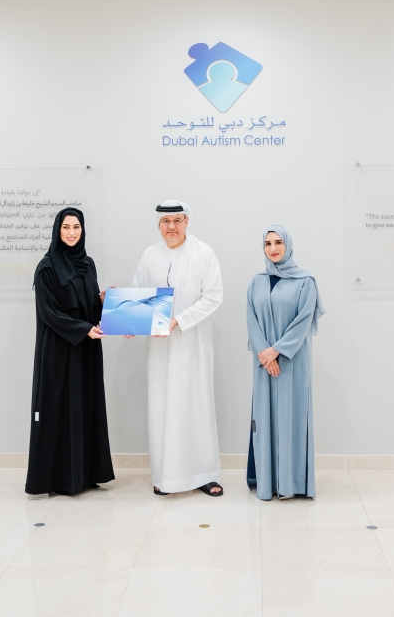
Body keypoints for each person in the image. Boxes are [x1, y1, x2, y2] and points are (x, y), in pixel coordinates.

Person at [128, 200, 224, 496]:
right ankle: (166, 477)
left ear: (187, 222)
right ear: (159, 225)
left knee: (195, 406)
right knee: (162, 407)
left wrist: (178, 321)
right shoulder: (150, 254)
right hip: (159, 350)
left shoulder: (203, 253)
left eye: (177, 220)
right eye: (166, 221)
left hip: (192, 344)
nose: (172, 227)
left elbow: (213, 296)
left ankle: (205, 475)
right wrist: (130, 321)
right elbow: (138, 293)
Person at [25, 207, 115, 495]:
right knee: (60, 411)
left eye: (76, 227)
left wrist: (104, 302)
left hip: (86, 351)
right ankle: (60, 479)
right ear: (57, 230)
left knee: (85, 408)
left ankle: (85, 475)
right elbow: (48, 312)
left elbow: (89, 307)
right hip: (60, 352)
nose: (72, 232)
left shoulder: (88, 264)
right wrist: (83, 329)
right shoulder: (47, 267)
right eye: (66, 227)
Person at [246, 225, 325, 501]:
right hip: (263, 364)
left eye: (278, 242)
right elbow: (251, 320)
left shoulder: (306, 281)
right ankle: (267, 481)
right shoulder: (256, 282)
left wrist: (277, 351)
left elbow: (303, 321)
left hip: (292, 362)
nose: (273, 248)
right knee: (264, 417)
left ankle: (292, 483)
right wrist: (265, 354)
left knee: (293, 417)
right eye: (268, 244)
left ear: (288, 245)